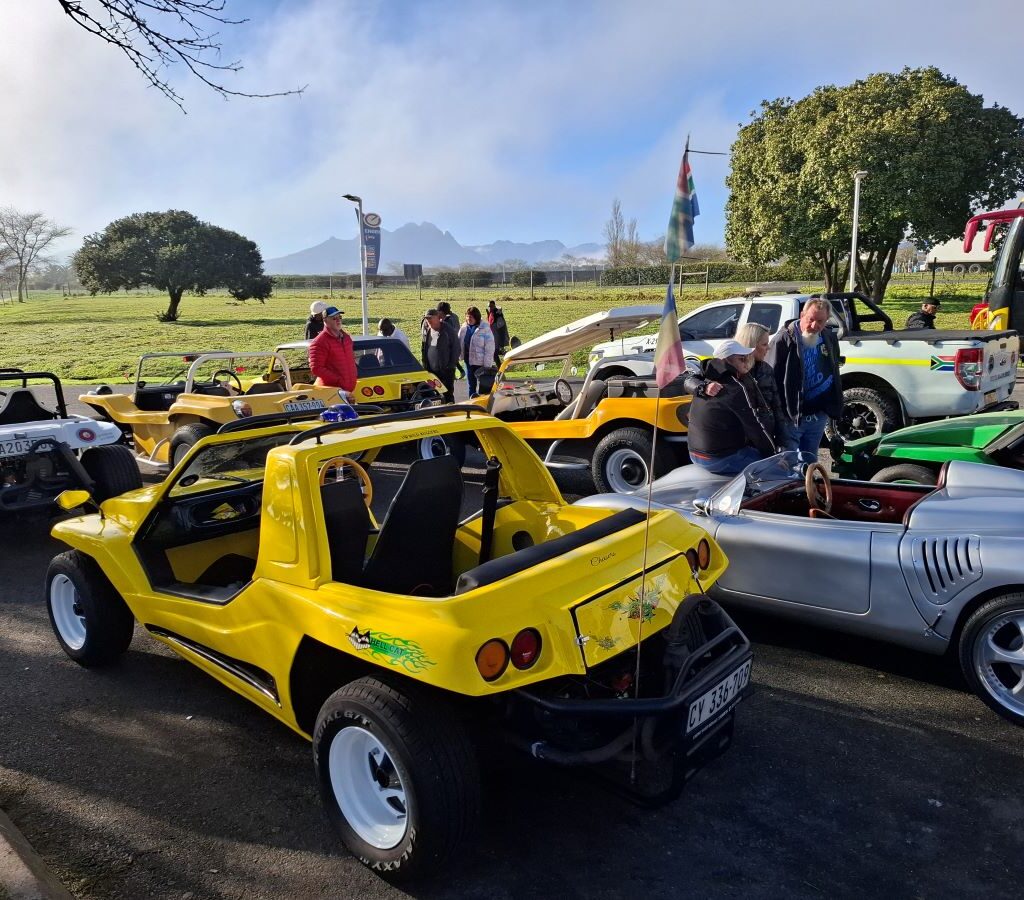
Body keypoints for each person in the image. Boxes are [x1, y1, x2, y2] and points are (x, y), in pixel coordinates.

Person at [766, 297, 844, 459]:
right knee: (788, 465)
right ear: (802, 315)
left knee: (810, 461)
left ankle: (808, 485)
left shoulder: (828, 337)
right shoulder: (783, 340)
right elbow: (770, 378)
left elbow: (833, 369)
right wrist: (778, 415)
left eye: (820, 321)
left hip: (818, 415)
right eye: (811, 319)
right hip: (792, 417)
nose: (815, 326)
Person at [685, 340, 777, 475]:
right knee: (775, 470)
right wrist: (774, 456)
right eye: (742, 358)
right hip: (719, 457)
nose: (746, 361)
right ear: (727, 360)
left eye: (747, 357)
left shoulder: (704, 379)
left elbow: (689, 380)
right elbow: (755, 426)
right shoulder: (734, 387)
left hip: (694, 453)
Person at [308, 306, 357, 393]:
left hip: (349, 391)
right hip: (331, 393)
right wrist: (338, 380)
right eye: (334, 318)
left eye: (339, 317)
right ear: (325, 321)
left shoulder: (346, 338)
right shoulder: (319, 342)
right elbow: (316, 368)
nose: (338, 320)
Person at [421, 307, 460, 402]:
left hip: (445, 371)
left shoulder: (448, 330)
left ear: (438, 317)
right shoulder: (427, 331)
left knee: (447, 395)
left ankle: (451, 415)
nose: (428, 320)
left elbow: (456, 349)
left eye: (430, 318)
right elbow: (424, 349)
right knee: (434, 397)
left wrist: (450, 366)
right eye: (426, 318)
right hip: (431, 372)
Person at [458, 306, 495, 397]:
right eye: (467, 316)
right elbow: (459, 342)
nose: (468, 319)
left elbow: (490, 347)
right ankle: (472, 405)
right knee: (471, 385)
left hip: (481, 363)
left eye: (471, 317)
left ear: (476, 317)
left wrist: (487, 364)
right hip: (468, 361)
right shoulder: (463, 328)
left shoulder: (485, 328)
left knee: (484, 387)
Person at [437, 302, 465, 379]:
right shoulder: (455, 316)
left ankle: (454, 376)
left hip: (449, 343)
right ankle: (460, 371)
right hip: (456, 340)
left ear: (441, 312)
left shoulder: (446, 320)